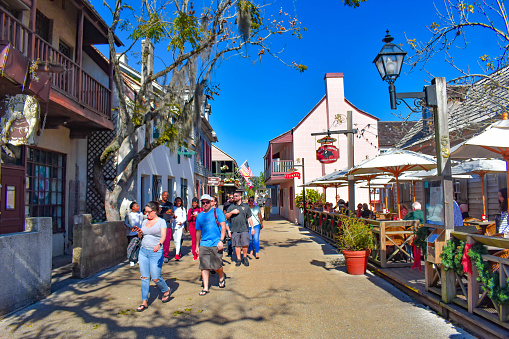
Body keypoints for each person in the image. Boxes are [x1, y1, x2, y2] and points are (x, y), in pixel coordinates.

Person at [134, 201, 171, 312]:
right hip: (143, 251)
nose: (147, 214)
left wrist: (159, 244)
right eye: (145, 212)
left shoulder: (161, 222)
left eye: (149, 212)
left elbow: (163, 236)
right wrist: (139, 232)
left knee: (155, 277)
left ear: (154, 211)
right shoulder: (144, 221)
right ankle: (144, 301)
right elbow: (141, 236)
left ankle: (166, 289)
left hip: (156, 252)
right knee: (144, 277)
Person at [195, 194, 226, 295]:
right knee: (204, 266)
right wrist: (197, 246)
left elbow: (223, 226)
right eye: (203, 203)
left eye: (207, 202)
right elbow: (198, 232)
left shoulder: (217, 212)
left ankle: (221, 276)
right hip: (204, 243)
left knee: (217, 266)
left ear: (210, 202)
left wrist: (221, 240)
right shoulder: (199, 216)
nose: (205, 204)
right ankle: (205, 287)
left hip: (216, 243)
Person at [225, 191, 254, 267]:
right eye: (234, 196)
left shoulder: (246, 206)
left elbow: (250, 217)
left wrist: (252, 227)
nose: (234, 197)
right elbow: (226, 216)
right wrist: (232, 212)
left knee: (245, 244)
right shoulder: (231, 207)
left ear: (240, 197)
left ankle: (244, 257)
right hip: (235, 229)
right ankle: (238, 259)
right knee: (237, 245)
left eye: (236, 196)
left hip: (244, 228)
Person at [159, 191, 174, 263]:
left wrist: (171, 213)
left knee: (167, 241)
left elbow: (171, 212)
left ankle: (165, 255)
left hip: (167, 224)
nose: (166, 197)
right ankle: (158, 255)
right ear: (162, 195)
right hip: (158, 224)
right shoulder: (158, 203)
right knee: (158, 240)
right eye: (164, 195)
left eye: (167, 195)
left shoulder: (170, 204)